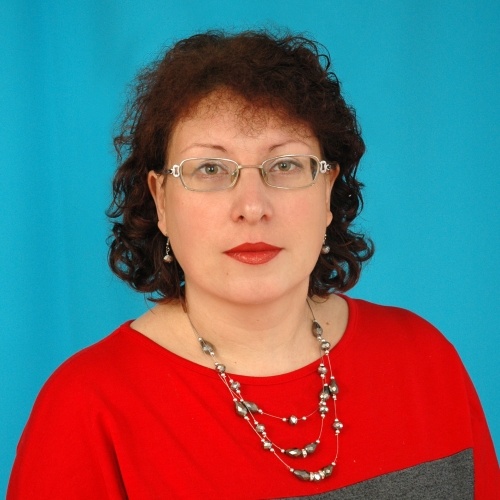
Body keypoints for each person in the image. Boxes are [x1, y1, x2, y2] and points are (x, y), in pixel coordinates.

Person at [7, 30, 498, 499]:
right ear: (161, 201)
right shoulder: (86, 409)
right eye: (210, 169)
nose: (252, 206)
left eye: (284, 165)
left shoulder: (425, 361)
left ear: (328, 191)